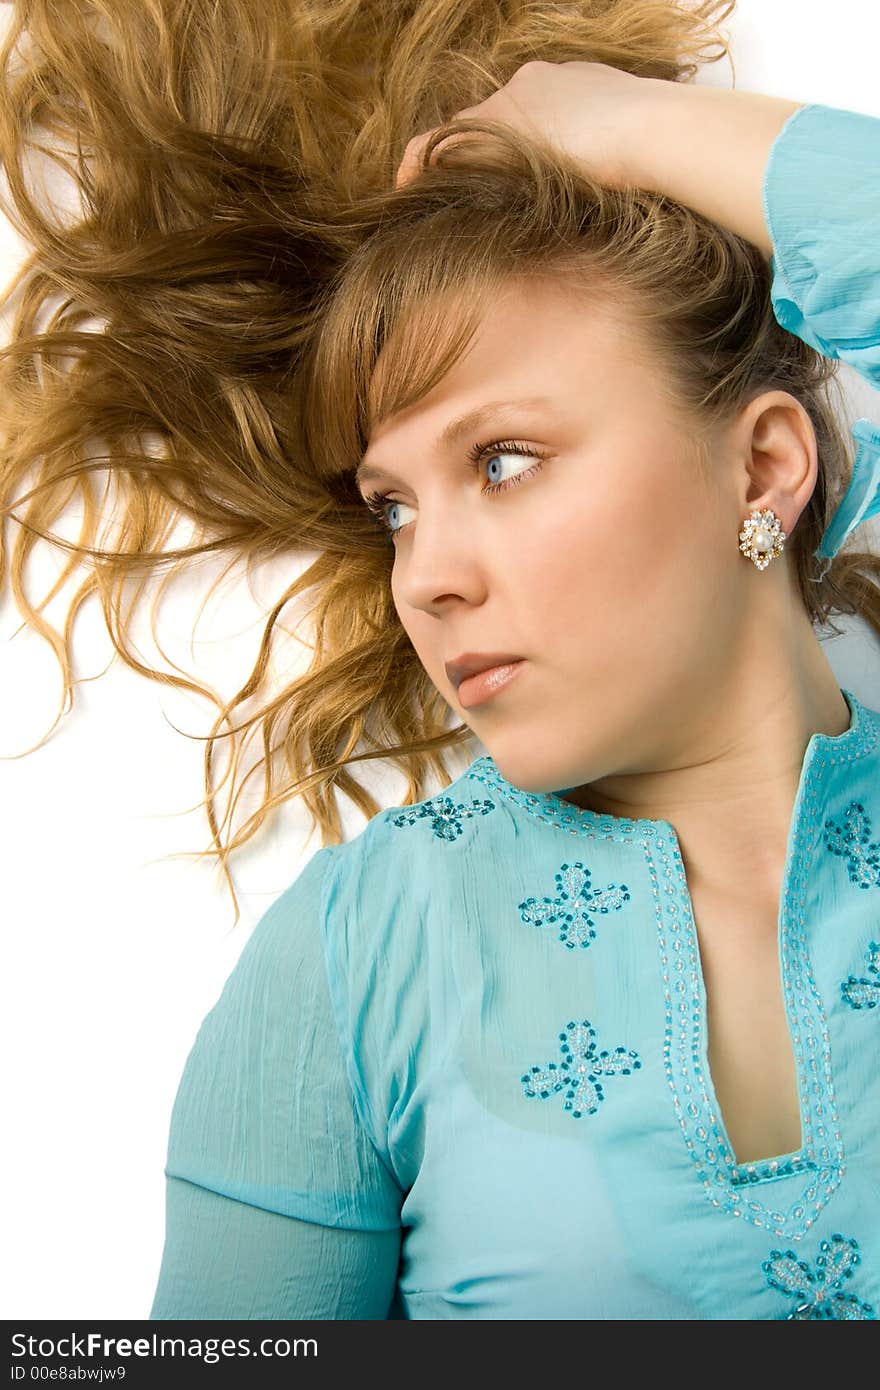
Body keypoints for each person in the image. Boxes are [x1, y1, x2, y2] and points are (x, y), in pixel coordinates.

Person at [0, 2, 877, 1321]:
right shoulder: (360, 958)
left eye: (504, 460)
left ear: (762, 464)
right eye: (394, 507)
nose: (425, 574)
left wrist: (615, 123)